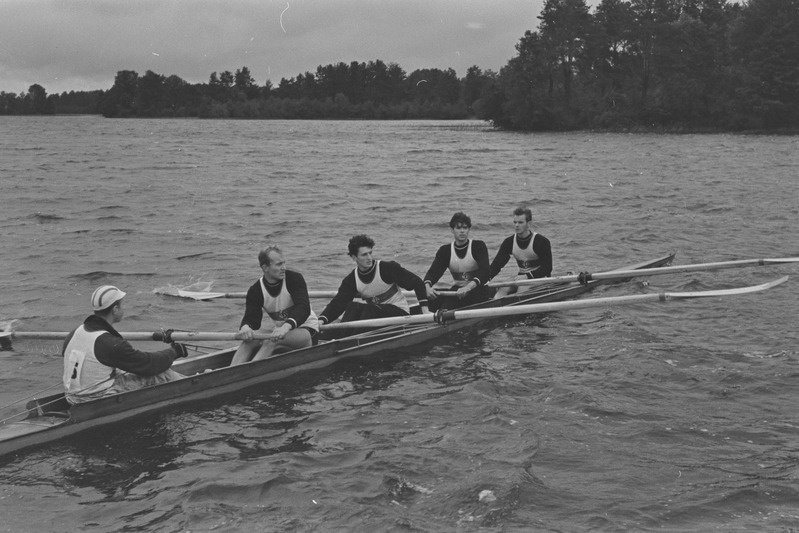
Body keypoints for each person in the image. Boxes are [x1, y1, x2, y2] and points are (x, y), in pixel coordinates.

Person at [61, 285, 187, 405]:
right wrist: (174, 352)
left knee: (123, 369)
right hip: (95, 399)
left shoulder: (74, 333)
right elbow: (149, 364)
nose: (123, 308)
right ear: (115, 310)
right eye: (122, 305)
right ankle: (194, 384)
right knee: (161, 374)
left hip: (71, 397)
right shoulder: (110, 344)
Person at [318, 235, 429, 336]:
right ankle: (332, 337)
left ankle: (350, 339)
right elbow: (339, 303)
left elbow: (417, 283)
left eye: (370, 253)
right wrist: (322, 320)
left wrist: (425, 311)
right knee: (352, 306)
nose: (369, 258)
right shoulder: (352, 279)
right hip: (375, 315)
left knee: (369, 309)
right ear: (354, 257)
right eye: (364, 254)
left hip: (399, 314)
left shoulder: (387, 268)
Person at [231, 246, 319, 365]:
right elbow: (252, 319)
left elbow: (303, 308)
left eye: (284, 263)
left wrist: (286, 327)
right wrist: (246, 328)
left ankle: (248, 372)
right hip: (282, 333)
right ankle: (230, 371)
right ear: (265, 268)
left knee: (270, 341)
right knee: (250, 341)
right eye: (278, 264)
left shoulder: (294, 279)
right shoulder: (255, 290)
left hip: (307, 331)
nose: (284, 268)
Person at [423, 211, 491, 311]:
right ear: (452, 230)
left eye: (465, 228)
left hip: (478, 290)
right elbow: (433, 273)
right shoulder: (445, 251)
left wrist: (468, 287)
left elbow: (485, 272)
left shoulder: (478, 246)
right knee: (432, 298)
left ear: (469, 229)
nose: (462, 231)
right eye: (458, 228)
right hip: (458, 291)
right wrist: (427, 287)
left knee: (446, 308)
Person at [489, 206, 553, 298]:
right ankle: (497, 307)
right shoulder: (509, 242)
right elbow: (497, 265)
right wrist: (484, 279)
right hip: (521, 277)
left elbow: (547, 268)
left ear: (529, 223)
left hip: (541, 278)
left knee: (522, 288)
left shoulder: (541, 241)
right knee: (502, 289)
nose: (516, 225)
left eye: (520, 222)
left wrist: (528, 276)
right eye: (515, 222)